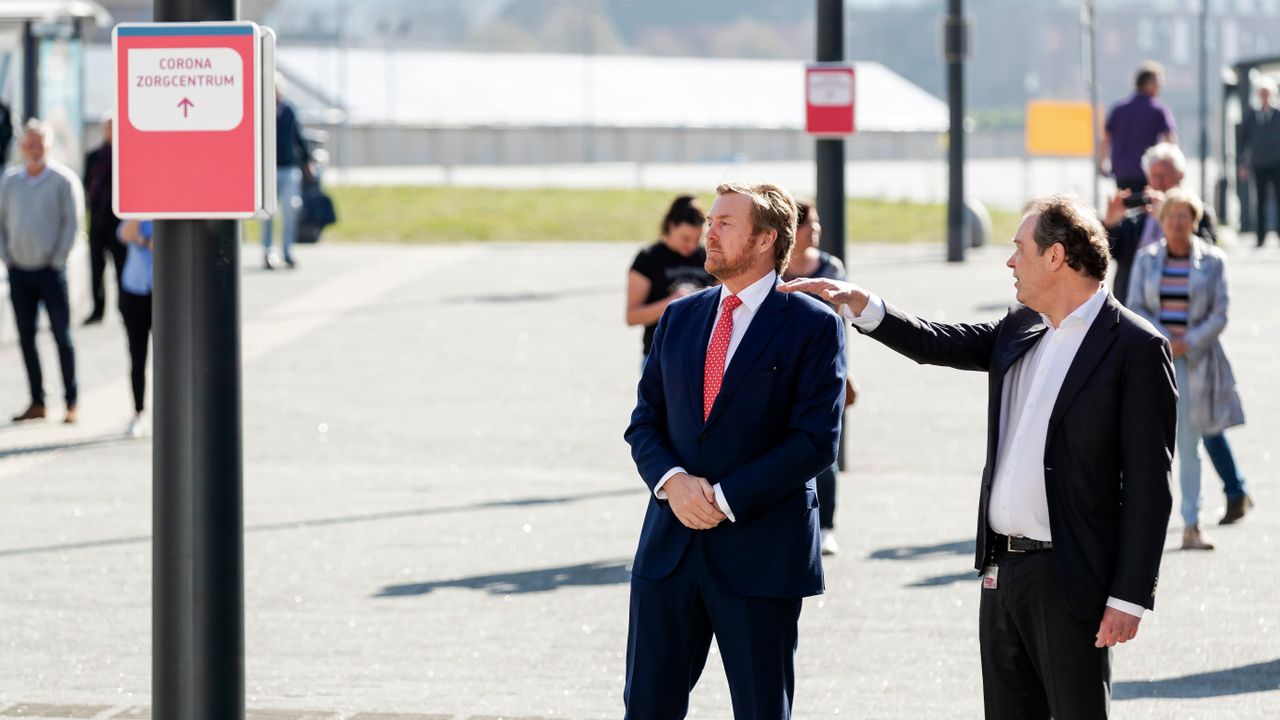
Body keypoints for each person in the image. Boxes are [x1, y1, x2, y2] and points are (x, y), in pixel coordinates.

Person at [783, 194, 1175, 720]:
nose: (1009, 261)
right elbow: (936, 342)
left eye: (1019, 249)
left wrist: (1128, 597)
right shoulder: (1021, 327)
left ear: (1056, 256)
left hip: (1071, 576)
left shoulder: (1135, 346)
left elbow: (1151, 486)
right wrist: (862, 304)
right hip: (1001, 571)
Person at [623, 183, 846, 719]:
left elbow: (814, 441)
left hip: (760, 555)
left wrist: (722, 499)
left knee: (760, 710)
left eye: (725, 223)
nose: (709, 233)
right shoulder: (679, 317)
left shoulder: (813, 325)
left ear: (767, 239)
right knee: (647, 708)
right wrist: (672, 481)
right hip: (669, 550)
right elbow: (643, 424)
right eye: (711, 221)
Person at [1104, 142, 1251, 525]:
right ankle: (1230, 491)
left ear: (1180, 178)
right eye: (1154, 178)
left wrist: (1188, 340)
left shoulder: (1195, 215)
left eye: (1166, 178)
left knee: (1198, 431)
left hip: (1195, 350)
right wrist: (1112, 221)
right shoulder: (1136, 224)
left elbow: (1210, 266)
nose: (1159, 185)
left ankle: (1215, 503)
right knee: (1175, 429)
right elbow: (1106, 257)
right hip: (1148, 345)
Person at [1126, 189, 1247, 548]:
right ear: (1161, 221)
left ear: (1195, 220)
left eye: (1184, 216)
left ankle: (1192, 523)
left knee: (1191, 445)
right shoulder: (1146, 260)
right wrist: (1165, 340)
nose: (1177, 223)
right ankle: (1141, 526)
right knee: (1147, 446)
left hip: (1196, 363)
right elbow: (1134, 306)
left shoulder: (1213, 261)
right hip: (1156, 362)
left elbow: (1220, 314)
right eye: (1171, 216)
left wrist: (1187, 342)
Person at [0, 119, 84, 424]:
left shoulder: (63, 181)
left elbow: (72, 223)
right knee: (26, 338)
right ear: (22, 147)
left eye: (40, 145)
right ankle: (37, 401)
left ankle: (71, 401)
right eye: (29, 144)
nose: (34, 150)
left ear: (49, 147)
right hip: (19, 270)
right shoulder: (10, 181)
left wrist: (58, 258)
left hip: (51, 271)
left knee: (62, 336)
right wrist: (6, 256)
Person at [781, 199, 848, 555]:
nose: (817, 229)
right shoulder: (774, 269)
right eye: (811, 223)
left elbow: (839, 321)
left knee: (825, 451)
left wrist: (846, 372)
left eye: (819, 222)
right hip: (783, 369)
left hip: (823, 367)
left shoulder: (830, 267)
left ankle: (825, 526)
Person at [625, 195, 715, 361]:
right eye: (685, 238)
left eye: (697, 239)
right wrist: (673, 302)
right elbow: (632, 316)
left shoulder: (707, 257)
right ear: (670, 225)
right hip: (659, 356)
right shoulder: (648, 258)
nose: (692, 245)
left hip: (700, 356)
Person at [1099, 62, 1178, 193]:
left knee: (1124, 209)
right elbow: (1170, 140)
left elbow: (1105, 139)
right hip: (1148, 173)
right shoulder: (1158, 109)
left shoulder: (1119, 108)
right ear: (1149, 84)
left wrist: (1102, 164)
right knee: (1147, 210)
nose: (1161, 86)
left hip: (1122, 173)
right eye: (1159, 82)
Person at [82, 113, 125, 324]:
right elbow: (86, 185)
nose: (111, 132)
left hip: (118, 222)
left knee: (122, 266)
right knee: (96, 268)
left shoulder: (127, 155)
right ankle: (98, 309)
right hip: (98, 221)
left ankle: (123, 307)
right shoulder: (94, 156)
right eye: (108, 127)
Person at [261, 78, 305, 270]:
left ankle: (287, 251)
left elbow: (298, 137)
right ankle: (268, 251)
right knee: (268, 213)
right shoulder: (262, 110)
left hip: (288, 168)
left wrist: (308, 159)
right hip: (269, 170)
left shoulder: (289, 111)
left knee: (290, 210)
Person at [117, 219, 153, 438]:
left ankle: (170, 411)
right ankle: (139, 412)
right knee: (137, 357)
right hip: (135, 289)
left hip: (165, 290)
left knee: (169, 360)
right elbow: (124, 234)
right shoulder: (138, 211)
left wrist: (144, 240)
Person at [1238, 77, 1280, 248]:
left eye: (1267, 94)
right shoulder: (1251, 115)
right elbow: (1243, 141)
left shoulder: (1278, 114)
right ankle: (1260, 236)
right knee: (1260, 200)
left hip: (1277, 162)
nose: (1264, 97)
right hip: (1259, 163)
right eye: (1262, 94)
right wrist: (1242, 163)